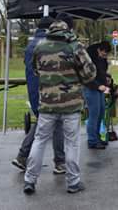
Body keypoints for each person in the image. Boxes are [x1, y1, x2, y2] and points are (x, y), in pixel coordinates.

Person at [23, 13, 97, 195]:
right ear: (69, 27)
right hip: (71, 105)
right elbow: (90, 74)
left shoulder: (40, 46)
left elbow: (35, 70)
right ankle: (73, 182)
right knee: (72, 143)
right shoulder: (75, 46)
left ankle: (30, 180)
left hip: (47, 103)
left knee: (39, 141)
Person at [11, 17, 66, 175]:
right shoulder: (50, 45)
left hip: (35, 92)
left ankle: (22, 157)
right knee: (56, 125)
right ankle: (59, 162)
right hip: (50, 92)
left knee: (42, 123)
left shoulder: (31, 45)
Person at [83, 41, 112, 149]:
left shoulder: (101, 58)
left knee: (101, 113)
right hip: (91, 88)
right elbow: (86, 76)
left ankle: (98, 137)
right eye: (104, 54)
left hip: (100, 88)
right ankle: (92, 141)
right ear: (99, 50)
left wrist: (107, 78)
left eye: (106, 55)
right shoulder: (88, 58)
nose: (105, 57)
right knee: (94, 115)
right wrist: (97, 86)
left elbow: (101, 71)